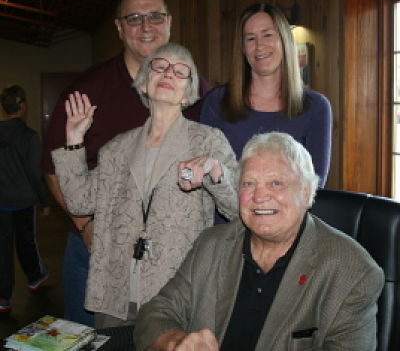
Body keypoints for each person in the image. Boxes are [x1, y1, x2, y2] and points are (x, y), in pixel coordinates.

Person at [41, 0, 210, 325]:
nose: (146, 26)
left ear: (170, 22)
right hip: (97, 251)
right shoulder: (86, 92)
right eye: (133, 18)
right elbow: (53, 167)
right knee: (92, 340)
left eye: (154, 16)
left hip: (172, 259)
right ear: (119, 28)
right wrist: (86, 226)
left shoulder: (198, 92)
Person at [134, 132, 384, 351]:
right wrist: (176, 342)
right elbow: (155, 313)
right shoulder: (211, 244)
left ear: (306, 192)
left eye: (276, 183)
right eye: (249, 184)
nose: (260, 196)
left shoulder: (354, 273)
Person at [51, 43, 238, 328]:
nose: (168, 73)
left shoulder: (208, 141)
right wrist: (75, 140)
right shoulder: (117, 148)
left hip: (176, 293)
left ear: (188, 92)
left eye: (180, 71)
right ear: (144, 83)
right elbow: (79, 202)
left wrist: (216, 171)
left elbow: (239, 207)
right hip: (115, 293)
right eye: (159, 66)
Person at [200, 3, 332, 187]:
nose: (259, 46)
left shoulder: (316, 107)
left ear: (284, 40)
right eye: (250, 38)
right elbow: (204, 174)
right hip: (226, 215)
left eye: (267, 35)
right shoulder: (217, 102)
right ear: (243, 48)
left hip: (286, 215)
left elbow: (314, 187)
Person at [0, 85, 49, 313]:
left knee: (2, 248)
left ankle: (2, 298)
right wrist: (44, 200)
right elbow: (34, 172)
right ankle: (35, 277)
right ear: (23, 106)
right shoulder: (29, 136)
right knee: (26, 241)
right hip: (22, 201)